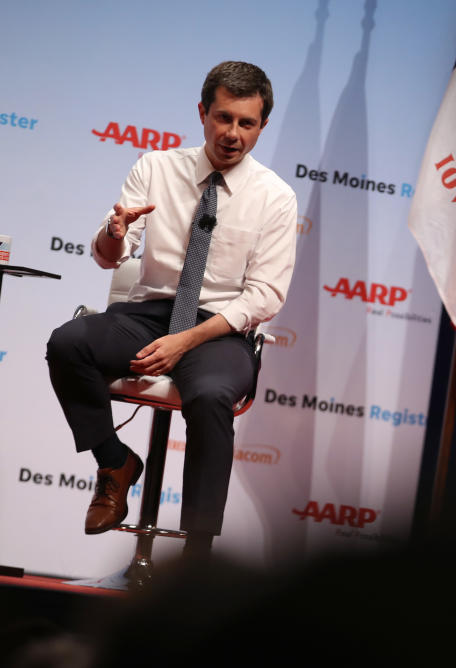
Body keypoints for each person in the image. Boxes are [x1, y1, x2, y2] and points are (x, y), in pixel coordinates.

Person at [46, 61, 297, 559]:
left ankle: (196, 557)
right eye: (223, 118)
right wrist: (114, 235)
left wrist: (186, 341)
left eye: (247, 123)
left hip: (220, 331)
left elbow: (265, 294)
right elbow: (107, 255)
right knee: (67, 342)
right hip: (148, 314)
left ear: (262, 126)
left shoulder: (276, 197)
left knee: (208, 397)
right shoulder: (155, 168)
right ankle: (114, 463)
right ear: (202, 113)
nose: (233, 134)